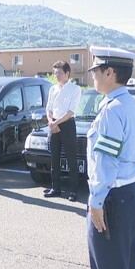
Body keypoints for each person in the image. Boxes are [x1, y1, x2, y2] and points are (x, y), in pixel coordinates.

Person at [86, 46, 135, 269]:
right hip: (132, 196)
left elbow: (106, 161)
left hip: (113, 199)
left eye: (96, 70)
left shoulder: (112, 111)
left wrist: (96, 202)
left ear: (109, 72)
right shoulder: (134, 106)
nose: (93, 75)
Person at [44, 61, 82, 201]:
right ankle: (56, 188)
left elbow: (71, 111)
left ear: (67, 73)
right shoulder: (53, 89)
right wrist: (51, 122)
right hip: (53, 124)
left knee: (71, 158)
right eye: (55, 73)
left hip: (67, 125)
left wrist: (56, 123)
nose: (57, 76)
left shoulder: (75, 89)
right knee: (55, 158)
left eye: (59, 73)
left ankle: (73, 191)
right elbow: (48, 108)